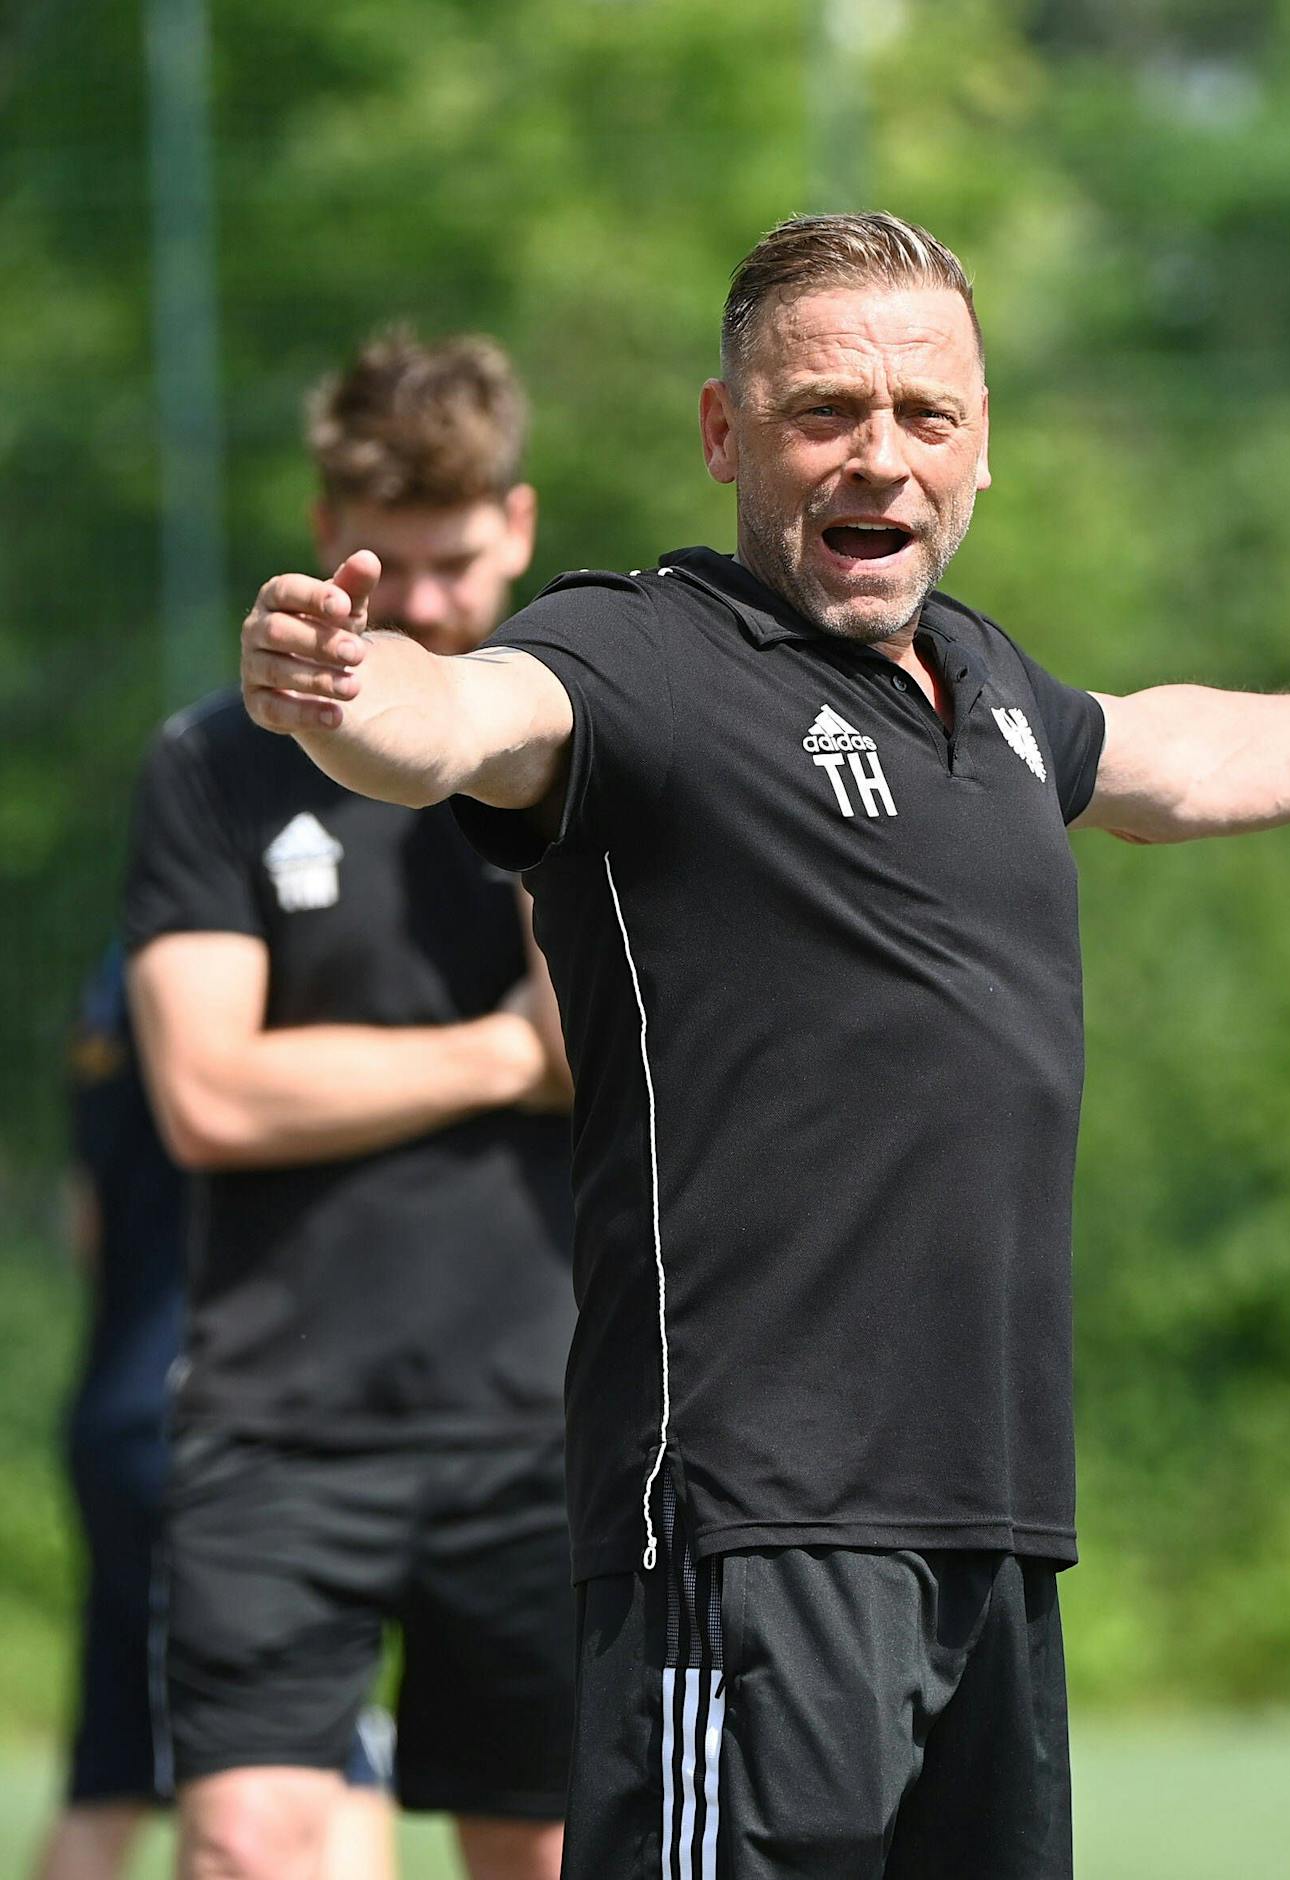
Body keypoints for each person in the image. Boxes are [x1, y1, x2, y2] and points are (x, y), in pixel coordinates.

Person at [235, 214, 1290, 1880]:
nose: (879, 457)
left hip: (985, 1529)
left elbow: (1162, 753)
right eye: (825, 411)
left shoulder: (977, 680)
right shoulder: (645, 655)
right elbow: (464, 717)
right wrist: (341, 693)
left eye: (927, 418)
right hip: (752, 1529)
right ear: (725, 434)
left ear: (982, 450)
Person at [124, 331, 579, 1880]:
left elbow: (599, 1038)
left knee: (544, 1849)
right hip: (279, 1415)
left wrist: (507, 754)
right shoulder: (211, 767)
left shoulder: (570, 744)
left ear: (516, 528)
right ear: (328, 535)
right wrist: (497, 1058)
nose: (437, 602)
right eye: (407, 563)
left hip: (541, 1415)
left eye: (465, 560)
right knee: (247, 1843)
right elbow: (208, 1093)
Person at [32, 945, 398, 1880]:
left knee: (107, 1778)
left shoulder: (115, 975)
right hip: (217, 1423)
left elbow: (87, 1226)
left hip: (121, 1404)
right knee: (324, 1769)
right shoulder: (273, 960)